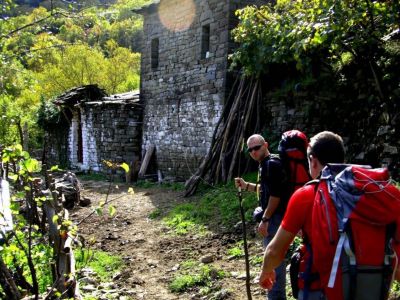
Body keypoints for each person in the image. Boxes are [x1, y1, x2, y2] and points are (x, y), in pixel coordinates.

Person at [258, 131, 346, 300]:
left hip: (321, 287)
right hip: (365, 284)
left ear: (312, 161)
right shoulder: (374, 192)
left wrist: (265, 271)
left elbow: (275, 250)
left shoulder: (305, 196)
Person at [235, 134, 288, 300]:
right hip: (276, 218)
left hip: (274, 219)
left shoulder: (270, 165)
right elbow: (264, 189)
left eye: (256, 148)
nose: (253, 152)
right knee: (274, 260)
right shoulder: (267, 163)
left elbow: (275, 196)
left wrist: (265, 220)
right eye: (250, 150)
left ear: (265, 145)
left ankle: (276, 296)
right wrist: (246, 185)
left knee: (273, 262)